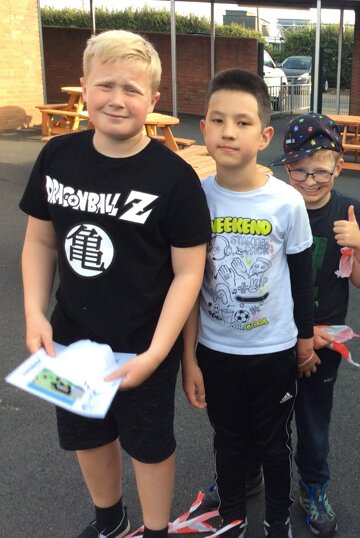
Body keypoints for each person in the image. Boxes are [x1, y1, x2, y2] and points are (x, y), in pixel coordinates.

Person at [19, 30, 210, 538]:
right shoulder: (57, 156)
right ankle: (110, 520)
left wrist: (158, 353)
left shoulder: (175, 179)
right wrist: (34, 313)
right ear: (84, 87)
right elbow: (39, 242)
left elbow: (189, 273)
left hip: (144, 342)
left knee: (149, 445)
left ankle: (154, 530)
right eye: (105, 85)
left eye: (132, 89)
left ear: (154, 99)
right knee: (86, 433)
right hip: (69, 335)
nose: (117, 99)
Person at [181, 68, 315, 538]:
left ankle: (277, 520)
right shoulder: (195, 199)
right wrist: (189, 358)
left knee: (274, 444)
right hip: (216, 351)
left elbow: (302, 278)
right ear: (204, 128)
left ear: (264, 136)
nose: (228, 132)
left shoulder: (286, 202)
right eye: (218, 120)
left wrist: (304, 340)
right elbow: (187, 286)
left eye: (242, 122)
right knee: (229, 441)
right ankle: (233, 520)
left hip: (273, 351)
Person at [269, 112, 360, 536]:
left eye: (320, 171)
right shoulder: (276, 207)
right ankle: (247, 471)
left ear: (339, 166)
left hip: (326, 341)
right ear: (286, 169)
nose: (310, 181)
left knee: (314, 422)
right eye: (299, 171)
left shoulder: (351, 210)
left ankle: (314, 486)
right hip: (277, 335)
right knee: (264, 415)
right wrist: (300, 336)